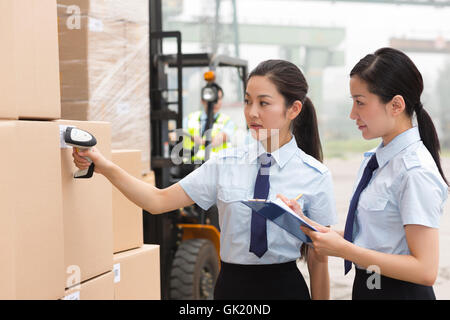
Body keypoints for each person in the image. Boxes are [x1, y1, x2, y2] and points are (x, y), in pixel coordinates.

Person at [72, 59, 337, 300]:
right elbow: (157, 200)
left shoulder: (315, 176)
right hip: (232, 289)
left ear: (294, 109)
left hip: (286, 290)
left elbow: (318, 257)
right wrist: (105, 166)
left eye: (263, 103)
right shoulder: (224, 165)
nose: (251, 113)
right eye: (247, 101)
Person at [281, 47, 448, 300]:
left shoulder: (414, 171)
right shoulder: (376, 160)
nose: (352, 114)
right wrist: (310, 226)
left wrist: (345, 250)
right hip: (370, 287)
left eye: (360, 102)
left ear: (396, 105)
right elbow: (374, 240)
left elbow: (425, 270)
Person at [183, 83, 236, 162]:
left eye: (218, 99)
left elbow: (217, 141)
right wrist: (190, 137)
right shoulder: (189, 118)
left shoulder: (227, 121)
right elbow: (177, 135)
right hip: (190, 167)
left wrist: (196, 139)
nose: (215, 102)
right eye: (212, 99)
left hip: (217, 167)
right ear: (202, 100)